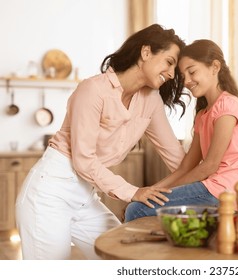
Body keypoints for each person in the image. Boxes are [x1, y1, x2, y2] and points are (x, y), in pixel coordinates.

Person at [15, 24, 187, 260]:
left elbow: (175, 155)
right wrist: (133, 192)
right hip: (50, 193)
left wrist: (211, 187)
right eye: (169, 62)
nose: (171, 73)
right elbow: (84, 161)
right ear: (146, 52)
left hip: (85, 196)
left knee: (124, 259)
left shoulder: (151, 100)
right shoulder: (93, 90)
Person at [125, 39, 238, 222]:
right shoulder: (203, 115)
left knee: (136, 210)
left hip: (223, 192)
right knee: (139, 204)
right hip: (211, 189)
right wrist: (149, 191)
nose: (186, 81)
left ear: (215, 67)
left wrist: (164, 193)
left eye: (192, 71)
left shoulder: (228, 106)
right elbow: (186, 167)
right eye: (182, 75)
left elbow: (210, 165)